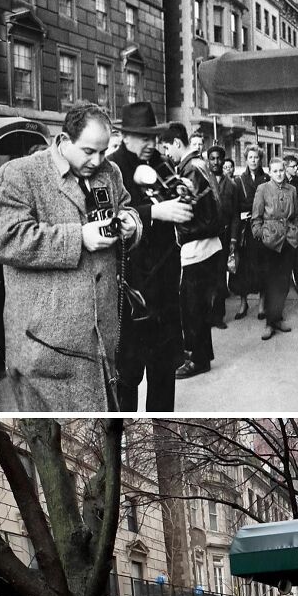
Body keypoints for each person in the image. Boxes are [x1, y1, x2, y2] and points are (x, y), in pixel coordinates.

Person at [0, 101, 141, 411]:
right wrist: (80, 238)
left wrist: (130, 222)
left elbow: (124, 205)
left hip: (101, 338)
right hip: (45, 345)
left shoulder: (109, 172)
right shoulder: (20, 175)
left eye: (103, 151)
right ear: (63, 141)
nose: (97, 160)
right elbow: (6, 239)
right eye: (89, 151)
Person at [108, 102, 193, 411]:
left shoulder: (160, 164)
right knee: (126, 382)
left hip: (165, 289)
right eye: (144, 138)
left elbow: (185, 202)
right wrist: (155, 212)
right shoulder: (111, 168)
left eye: (153, 138)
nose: (150, 145)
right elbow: (109, 219)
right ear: (126, 135)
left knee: (163, 377)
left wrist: (183, 197)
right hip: (131, 290)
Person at [157, 122, 222, 380]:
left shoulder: (187, 171)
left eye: (166, 147)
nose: (166, 153)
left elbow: (193, 214)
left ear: (176, 142)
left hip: (197, 247)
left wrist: (176, 226)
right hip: (208, 245)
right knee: (198, 306)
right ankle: (202, 354)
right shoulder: (199, 164)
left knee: (191, 307)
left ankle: (197, 359)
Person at [251, 158, 298, 340]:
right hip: (270, 241)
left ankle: (278, 318)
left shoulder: (292, 190)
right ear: (270, 172)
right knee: (271, 281)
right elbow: (256, 217)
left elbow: (295, 216)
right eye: (275, 171)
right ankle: (270, 323)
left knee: (284, 281)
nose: (279, 174)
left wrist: (295, 231)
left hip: (288, 240)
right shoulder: (263, 189)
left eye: (281, 170)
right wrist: (261, 234)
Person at [230, 143, 269, 320]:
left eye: (257, 157)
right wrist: (234, 236)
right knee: (242, 268)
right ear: (246, 159)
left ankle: (262, 304)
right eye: (250, 157)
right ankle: (243, 303)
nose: (254, 160)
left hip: (261, 228)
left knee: (262, 266)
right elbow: (234, 210)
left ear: (261, 159)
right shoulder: (238, 181)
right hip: (244, 230)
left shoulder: (267, 179)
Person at [206, 143, 240, 329]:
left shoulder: (232, 185)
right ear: (208, 160)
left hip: (224, 236)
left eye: (219, 158)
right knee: (206, 276)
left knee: (220, 276)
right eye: (212, 158)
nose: (216, 162)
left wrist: (233, 239)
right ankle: (205, 314)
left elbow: (235, 215)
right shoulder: (203, 181)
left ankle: (218, 315)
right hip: (205, 236)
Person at [284, 155, 298, 296]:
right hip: (283, 222)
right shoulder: (280, 180)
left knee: (297, 254)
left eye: (296, 165)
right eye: (293, 166)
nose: (296, 168)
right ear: (286, 167)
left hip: (296, 220)